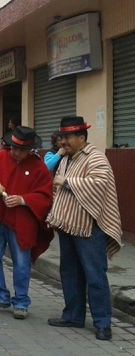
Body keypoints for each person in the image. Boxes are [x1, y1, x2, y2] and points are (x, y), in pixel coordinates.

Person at [46, 116, 122, 341]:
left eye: (67, 138)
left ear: (81, 137)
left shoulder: (95, 157)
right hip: (68, 225)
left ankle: (102, 323)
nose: (63, 142)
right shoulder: (67, 158)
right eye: (62, 138)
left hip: (89, 228)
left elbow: (100, 183)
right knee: (69, 273)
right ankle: (73, 315)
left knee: (94, 275)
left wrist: (67, 182)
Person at [0, 126, 53, 320]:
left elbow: (45, 195)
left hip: (22, 222)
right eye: (13, 148)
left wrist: (23, 200)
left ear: (31, 149)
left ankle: (21, 301)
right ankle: (0, 295)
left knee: (22, 263)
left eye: (21, 150)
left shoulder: (39, 167)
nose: (16, 152)